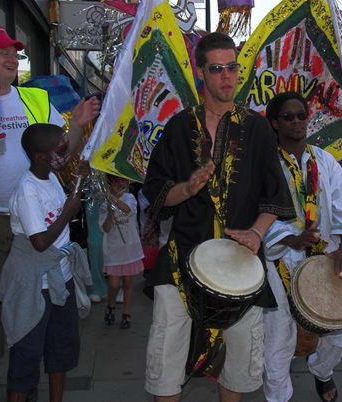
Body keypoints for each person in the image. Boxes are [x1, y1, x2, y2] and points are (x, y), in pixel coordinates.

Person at [142, 32, 294, 401]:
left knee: (242, 360)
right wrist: (188, 188)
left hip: (241, 260)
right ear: (201, 73)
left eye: (233, 67)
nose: (228, 76)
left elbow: (274, 194)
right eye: (217, 69)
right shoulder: (179, 127)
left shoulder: (257, 127)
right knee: (166, 355)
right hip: (182, 256)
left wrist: (256, 235)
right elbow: (156, 191)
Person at [0, 25, 99, 401]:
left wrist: (78, 126)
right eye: (1, 53)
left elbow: (62, 151)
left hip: (33, 227)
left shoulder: (34, 99)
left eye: (14, 52)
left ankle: (25, 376)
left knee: (36, 304)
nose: (12, 58)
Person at [261, 92, 342, 402]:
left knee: (340, 334)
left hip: (323, 258)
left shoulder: (323, 159)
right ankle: (279, 397)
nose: (296, 121)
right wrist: (290, 238)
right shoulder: (264, 163)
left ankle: (322, 371)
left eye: (301, 115)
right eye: (288, 117)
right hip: (280, 263)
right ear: (275, 123)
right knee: (278, 340)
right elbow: (254, 211)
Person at [0, 123, 90, 402]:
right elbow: (39, 242)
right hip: (34, 285)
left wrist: (78, 184)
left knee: (60, 353)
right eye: (60, 150)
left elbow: (62, 212)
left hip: (60, 281)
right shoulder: (27, 190)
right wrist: (67, 212)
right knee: (26, 356)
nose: (66, 154)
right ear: (40, 156)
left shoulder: (52, 178)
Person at [100, 174, 145, 329]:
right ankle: (110, 306)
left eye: (123, 182)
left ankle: (126, 313)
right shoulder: (103, 204)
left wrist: (114, 200)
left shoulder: (130, 198)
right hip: (114, 250)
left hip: (130, 248)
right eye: (116, 183)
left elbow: (127, 210)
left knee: (127, 283)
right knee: (113, 284)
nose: (120, 185)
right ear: (109, 185)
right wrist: (110, 212)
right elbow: (105, 228)